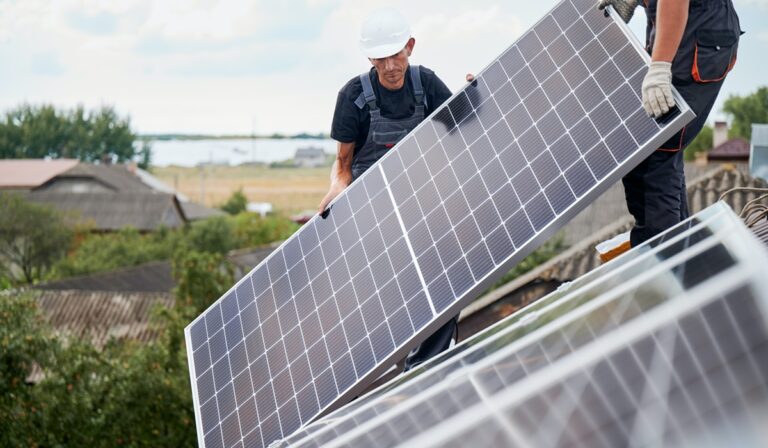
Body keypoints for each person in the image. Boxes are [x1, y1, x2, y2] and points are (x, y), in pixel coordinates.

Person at [318, 7, 459, 371]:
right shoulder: (352, 96)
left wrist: (472, 93)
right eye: (381, 58)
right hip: (375, 210)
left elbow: (463, 127)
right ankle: (397, 363)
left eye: (396, 55)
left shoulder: (426, 84)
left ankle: (428, 368)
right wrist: (337, 189)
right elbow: (344, 166)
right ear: (370, 58)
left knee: (447, 279)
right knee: (395, 292)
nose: (390, 66)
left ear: (410, 47)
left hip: (423, 200)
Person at [597, 0, 741, 246]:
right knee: (647, 154)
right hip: (670, 23)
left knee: (654, 154)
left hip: (695, 27)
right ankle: (682, 259)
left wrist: (660, 66)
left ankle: (666, 260)